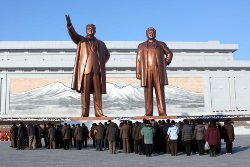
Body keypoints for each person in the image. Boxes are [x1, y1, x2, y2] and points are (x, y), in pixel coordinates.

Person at [65, 15, 110, 117]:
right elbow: (73, 35)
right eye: (88, 28)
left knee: (97, 93)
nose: (90, 30)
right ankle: (85, 113)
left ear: (95, 31)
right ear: (86, 30)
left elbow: (107, 54)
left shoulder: (101, 43)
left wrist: (101, 63)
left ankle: (99, 112)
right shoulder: (81, 40)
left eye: (92, 29)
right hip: (86, 70)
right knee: (85, 93)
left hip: (97, 71)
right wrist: (69, 26)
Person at [136, 27, 173, 116]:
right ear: (146, 34)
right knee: (147, 93)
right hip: (147, 71)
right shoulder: (141, 45)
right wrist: (138, 72)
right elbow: (138, 59)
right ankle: (148, 112)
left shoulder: (161, 44)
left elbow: (169, 53)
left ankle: (162, 112)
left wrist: (166, 62)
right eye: (149, 32)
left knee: (160, 92)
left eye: (152, 32)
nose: (151, 34)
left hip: (158, 71)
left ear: (155, 33)